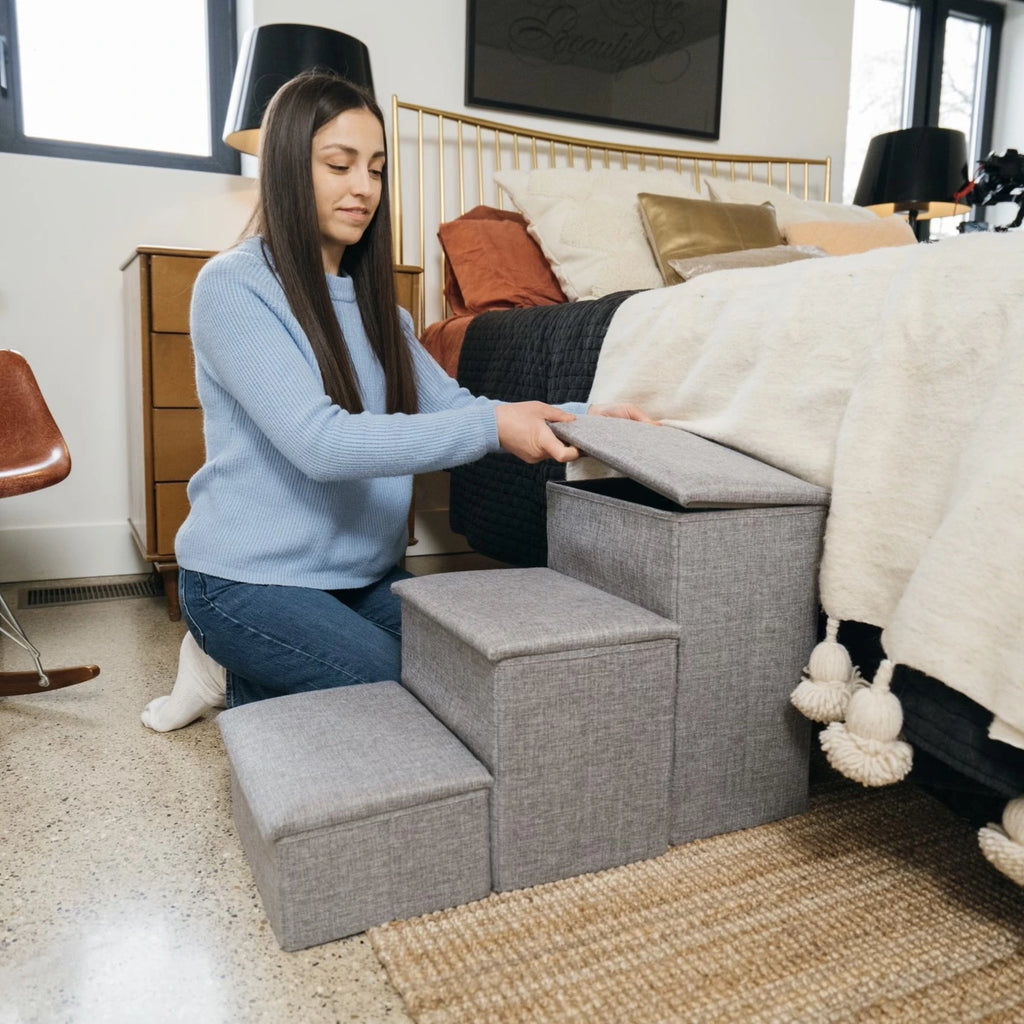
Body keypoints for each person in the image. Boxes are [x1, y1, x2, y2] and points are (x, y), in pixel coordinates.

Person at [141, 71, 653, 732]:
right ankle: (226, 662)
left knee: (473, 681)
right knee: (409, 708)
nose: (363, 188)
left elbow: (454, 405)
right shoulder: (234, 287)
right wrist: (494, 427)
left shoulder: (383, 309)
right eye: (339, 164)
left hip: (362, 578)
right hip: (247, 582)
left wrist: (583, 416)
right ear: (288, 169)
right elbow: (319, 443)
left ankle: (258, 671)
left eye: (376, 170)